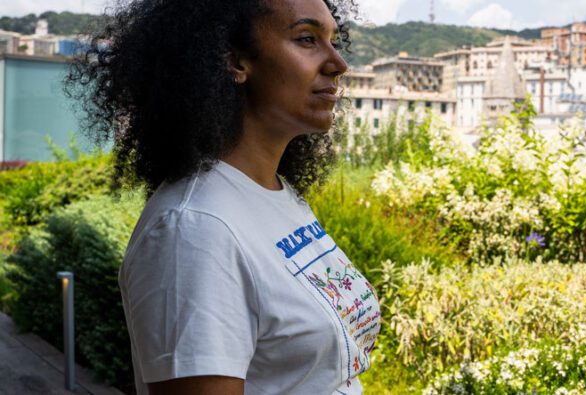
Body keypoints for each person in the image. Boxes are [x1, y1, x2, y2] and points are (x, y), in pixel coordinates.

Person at [66, 0, 380, 393]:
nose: (338, 64)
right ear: (235, 62)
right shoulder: (193, 230)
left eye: (334, 41)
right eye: (306, 39)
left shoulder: (274, 193)